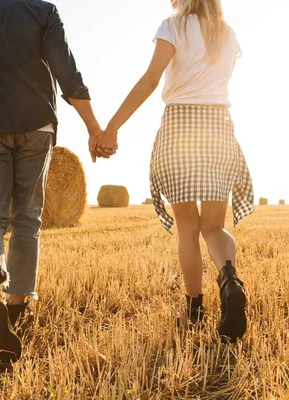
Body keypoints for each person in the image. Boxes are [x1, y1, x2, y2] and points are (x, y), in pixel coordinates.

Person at [0, 0, 113, 366]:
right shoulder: (43, 12)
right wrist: (94, 127)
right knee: (27, 221)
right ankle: (16, 309)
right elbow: (68, 73)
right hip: (36, 126)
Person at [95, 0, 254, 342]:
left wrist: (112, 126)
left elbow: (152, 79)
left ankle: (195, 311)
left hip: (180, 126)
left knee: (187, 226)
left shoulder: (174, 25)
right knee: (214, 226)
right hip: (219, 127)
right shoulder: (227, 33)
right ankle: (229, 280)